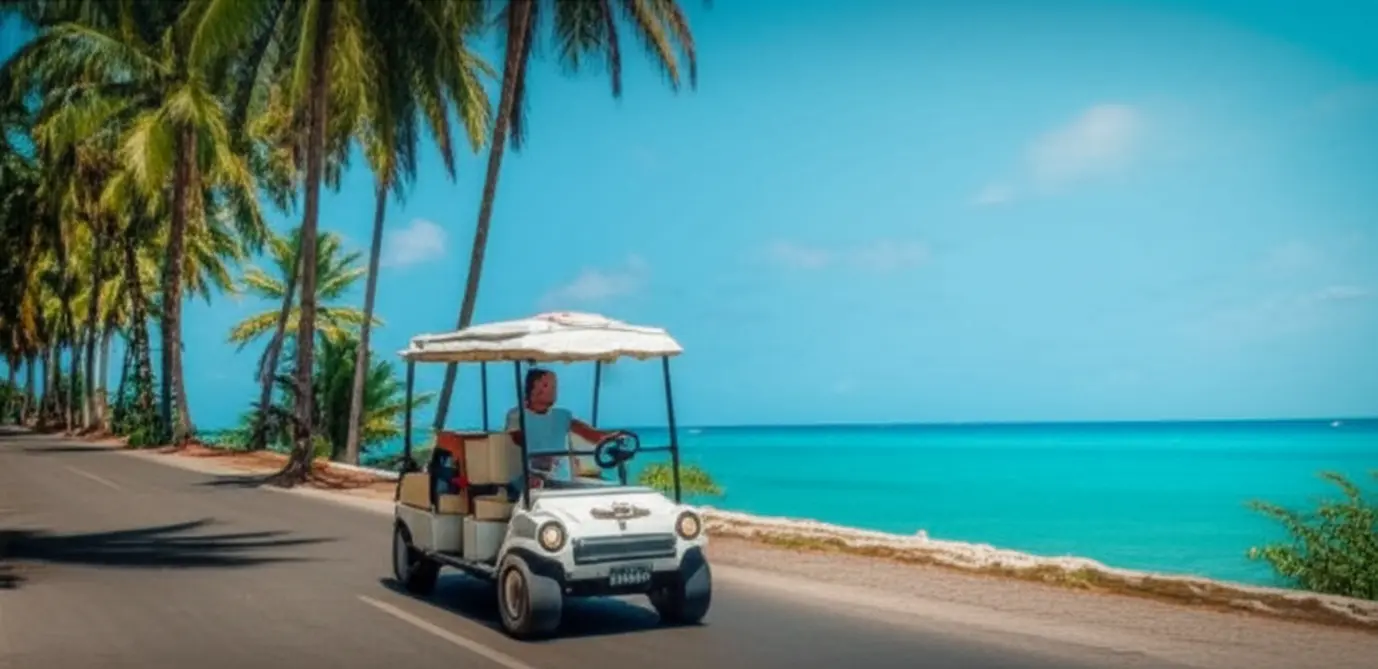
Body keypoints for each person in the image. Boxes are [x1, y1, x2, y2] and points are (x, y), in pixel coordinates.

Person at [504, 368, 622, 499]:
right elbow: (516, 443)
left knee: (609, 491)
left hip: (559, 483)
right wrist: (538, 461)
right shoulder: (516, 415)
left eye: (555, 386)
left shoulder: (562, 416)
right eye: (547, 385)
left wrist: (616, 438)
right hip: (527, 481)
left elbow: (591, 434)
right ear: (533, 388)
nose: (554, 390)